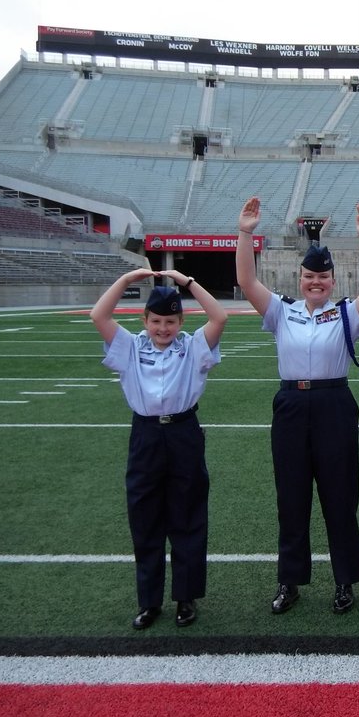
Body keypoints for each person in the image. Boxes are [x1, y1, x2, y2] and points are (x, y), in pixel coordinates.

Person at [237, 197, 359, 616]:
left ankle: (344, 580)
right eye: (309, 276)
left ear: (333, 280)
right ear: (299, 278)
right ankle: (290, 580)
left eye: (322, 276)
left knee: (340, 496)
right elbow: (246, 281)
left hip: (333, 404)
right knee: (291, 497)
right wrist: (245, 233)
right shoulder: (282, 311)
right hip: (290, 405)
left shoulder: (346, 314)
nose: (315, 282)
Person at [90, 268, 228, 630]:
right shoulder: (130, 346)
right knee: (144, 517)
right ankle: (148, 601)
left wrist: (188, 282)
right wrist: (125, 280)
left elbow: (219, 317)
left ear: (181, 322)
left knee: (188, 515)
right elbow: (99, 316)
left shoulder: (192, 346)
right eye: (155, 321)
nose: (162, 328)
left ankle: (186, 597)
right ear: (144, 320)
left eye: (170, 321)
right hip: (146, 435)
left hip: (183, 432)